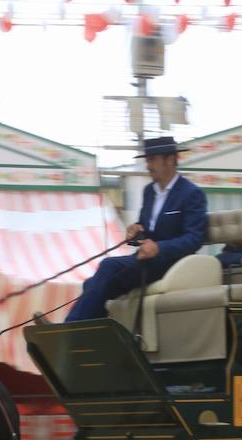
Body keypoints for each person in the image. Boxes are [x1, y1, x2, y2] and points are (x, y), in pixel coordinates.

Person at [65, 136, 208, 321]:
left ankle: (69, 331)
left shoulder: (192, 194)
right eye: (147, 160)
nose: (148, 165)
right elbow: (146, 228)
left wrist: (159, 248)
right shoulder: (149, 191)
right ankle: (88, 336)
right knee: (91, 284)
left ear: (171, 159)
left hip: (171, 262)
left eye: (152, 160)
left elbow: (194, 238)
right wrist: (136, 231)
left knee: (107, 268)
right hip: (145, 261)